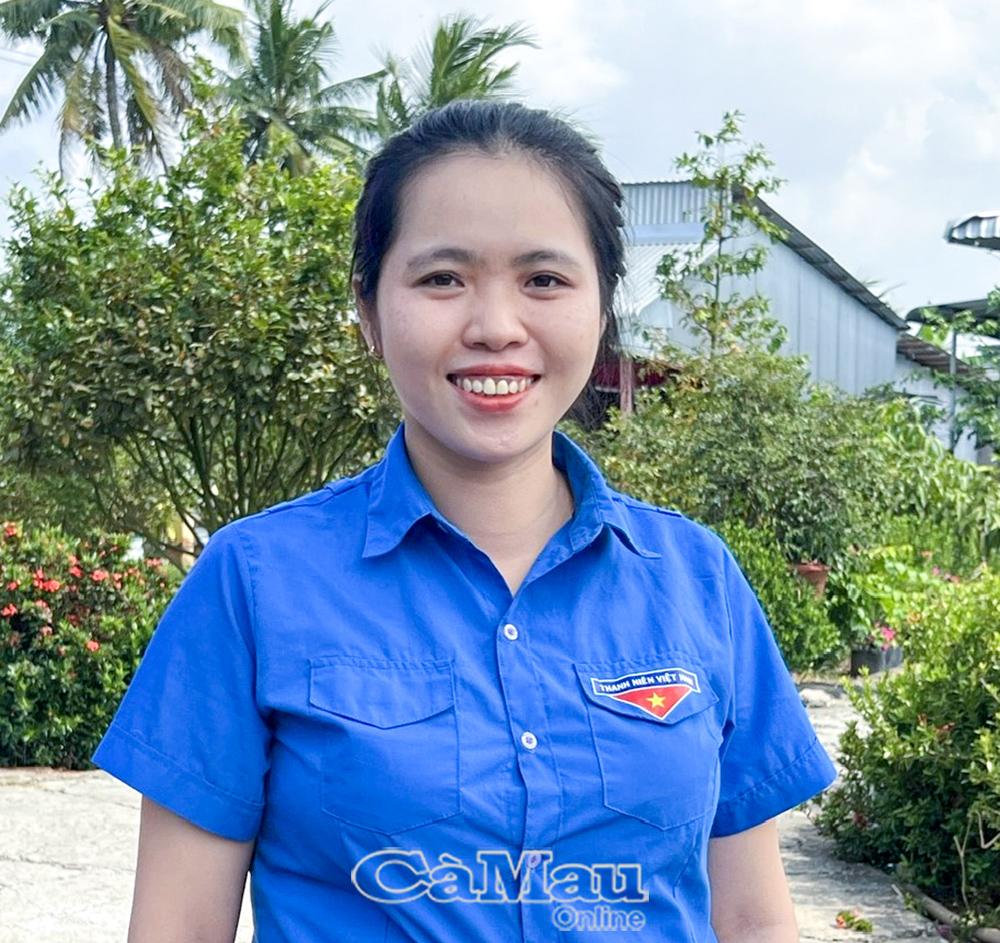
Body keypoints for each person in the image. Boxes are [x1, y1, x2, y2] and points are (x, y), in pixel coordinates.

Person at [90, 99, 838, 942]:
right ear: (370, 311)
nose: (495, 328)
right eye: (443, 278)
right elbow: (178, 927)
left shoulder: (697, 578)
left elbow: (752, 919)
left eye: (544, 279)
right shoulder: (254, 581)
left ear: (601, 309)